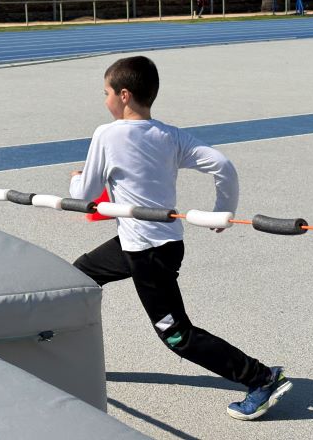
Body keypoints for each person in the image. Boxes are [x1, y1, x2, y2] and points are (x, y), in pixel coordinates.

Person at [68, 56, 292, 421]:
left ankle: (262, 378)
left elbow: (85, 195)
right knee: (79, 275)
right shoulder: (170, 135)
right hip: (154, 243)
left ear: (124, 95)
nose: (104, 99)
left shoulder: (107, 134)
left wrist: (76, 178)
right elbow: (222, 165)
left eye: (106, 92)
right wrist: (223, 209)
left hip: (148, 254)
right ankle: (63, 348)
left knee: (177, 335)